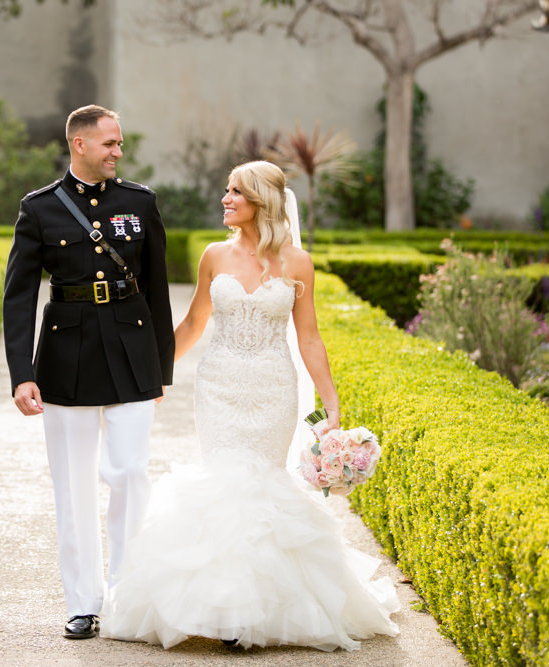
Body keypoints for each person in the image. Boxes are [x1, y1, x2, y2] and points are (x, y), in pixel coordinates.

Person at [100, 160, 400, 651]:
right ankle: (228, 612)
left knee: (260, 484)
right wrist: (149, 374)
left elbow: (309, 337)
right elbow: (195, 322)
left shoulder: (297, 263)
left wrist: (331, 404)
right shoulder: (214, 256)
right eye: (227, 190)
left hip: (272, 388)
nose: (226, 199)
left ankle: (255, 614)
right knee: (223, 481)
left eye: (236, 192)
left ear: (261, 201)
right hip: (217, 386)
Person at [2, 104, 175, 640]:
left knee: (129, 473)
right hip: (66, 358)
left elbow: (158, 288)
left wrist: (161, 367)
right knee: (73, 485)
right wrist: (21, 373)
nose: (118, 152)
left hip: (130, 354)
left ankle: (127, 593)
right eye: (110, 144)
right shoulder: (39, 209)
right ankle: (83, 602)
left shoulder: (139, 203)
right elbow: (19, 297)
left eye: (119, 143)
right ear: (80, 144)